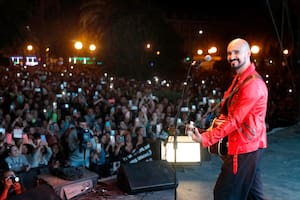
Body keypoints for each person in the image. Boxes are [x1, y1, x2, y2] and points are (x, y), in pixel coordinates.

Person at [191, 38, 268, 200]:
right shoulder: (240, 79)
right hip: (248, 145)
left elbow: (235, 120)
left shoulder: (252, 85)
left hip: (244, 148)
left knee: (224, 194)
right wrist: (206, 130)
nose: (231, 56)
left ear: (248, 53)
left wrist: (206, 138)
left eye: (236, 52)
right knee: (254, 196)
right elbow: (227, 113)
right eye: (229, 53)